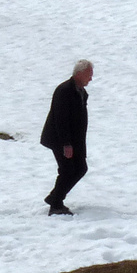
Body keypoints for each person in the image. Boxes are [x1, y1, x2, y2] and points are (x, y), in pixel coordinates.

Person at [39, 60, 93, 215]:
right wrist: (66, 144)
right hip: (60, 140)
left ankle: (54, 197)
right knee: (67, 170)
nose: (90, 79)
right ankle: (56, 205)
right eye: (89, 75)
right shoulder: (64, 91)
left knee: (81, 168)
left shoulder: (80, 91)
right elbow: (60, 120)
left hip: (75, 140)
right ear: (79, 73)